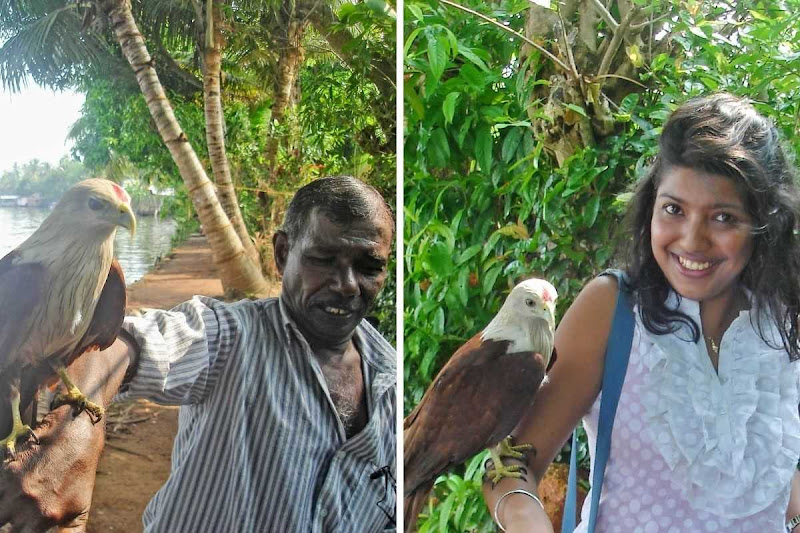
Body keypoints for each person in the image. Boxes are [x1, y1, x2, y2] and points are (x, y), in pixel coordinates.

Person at [0, 175, 397, 532]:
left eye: (369, 266)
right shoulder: (227, 336)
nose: (346, 284)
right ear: (281, 254)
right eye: (323, 260)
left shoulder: (394, 380)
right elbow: (126, 344)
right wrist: (79, 428)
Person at [483, 93, 800, 532]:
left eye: (723, 218)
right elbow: (510, 467)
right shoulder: (612, 310)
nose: (692, 240)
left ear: (765, 224)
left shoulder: (786, 322)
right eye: (674, 210)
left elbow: (771, 484)